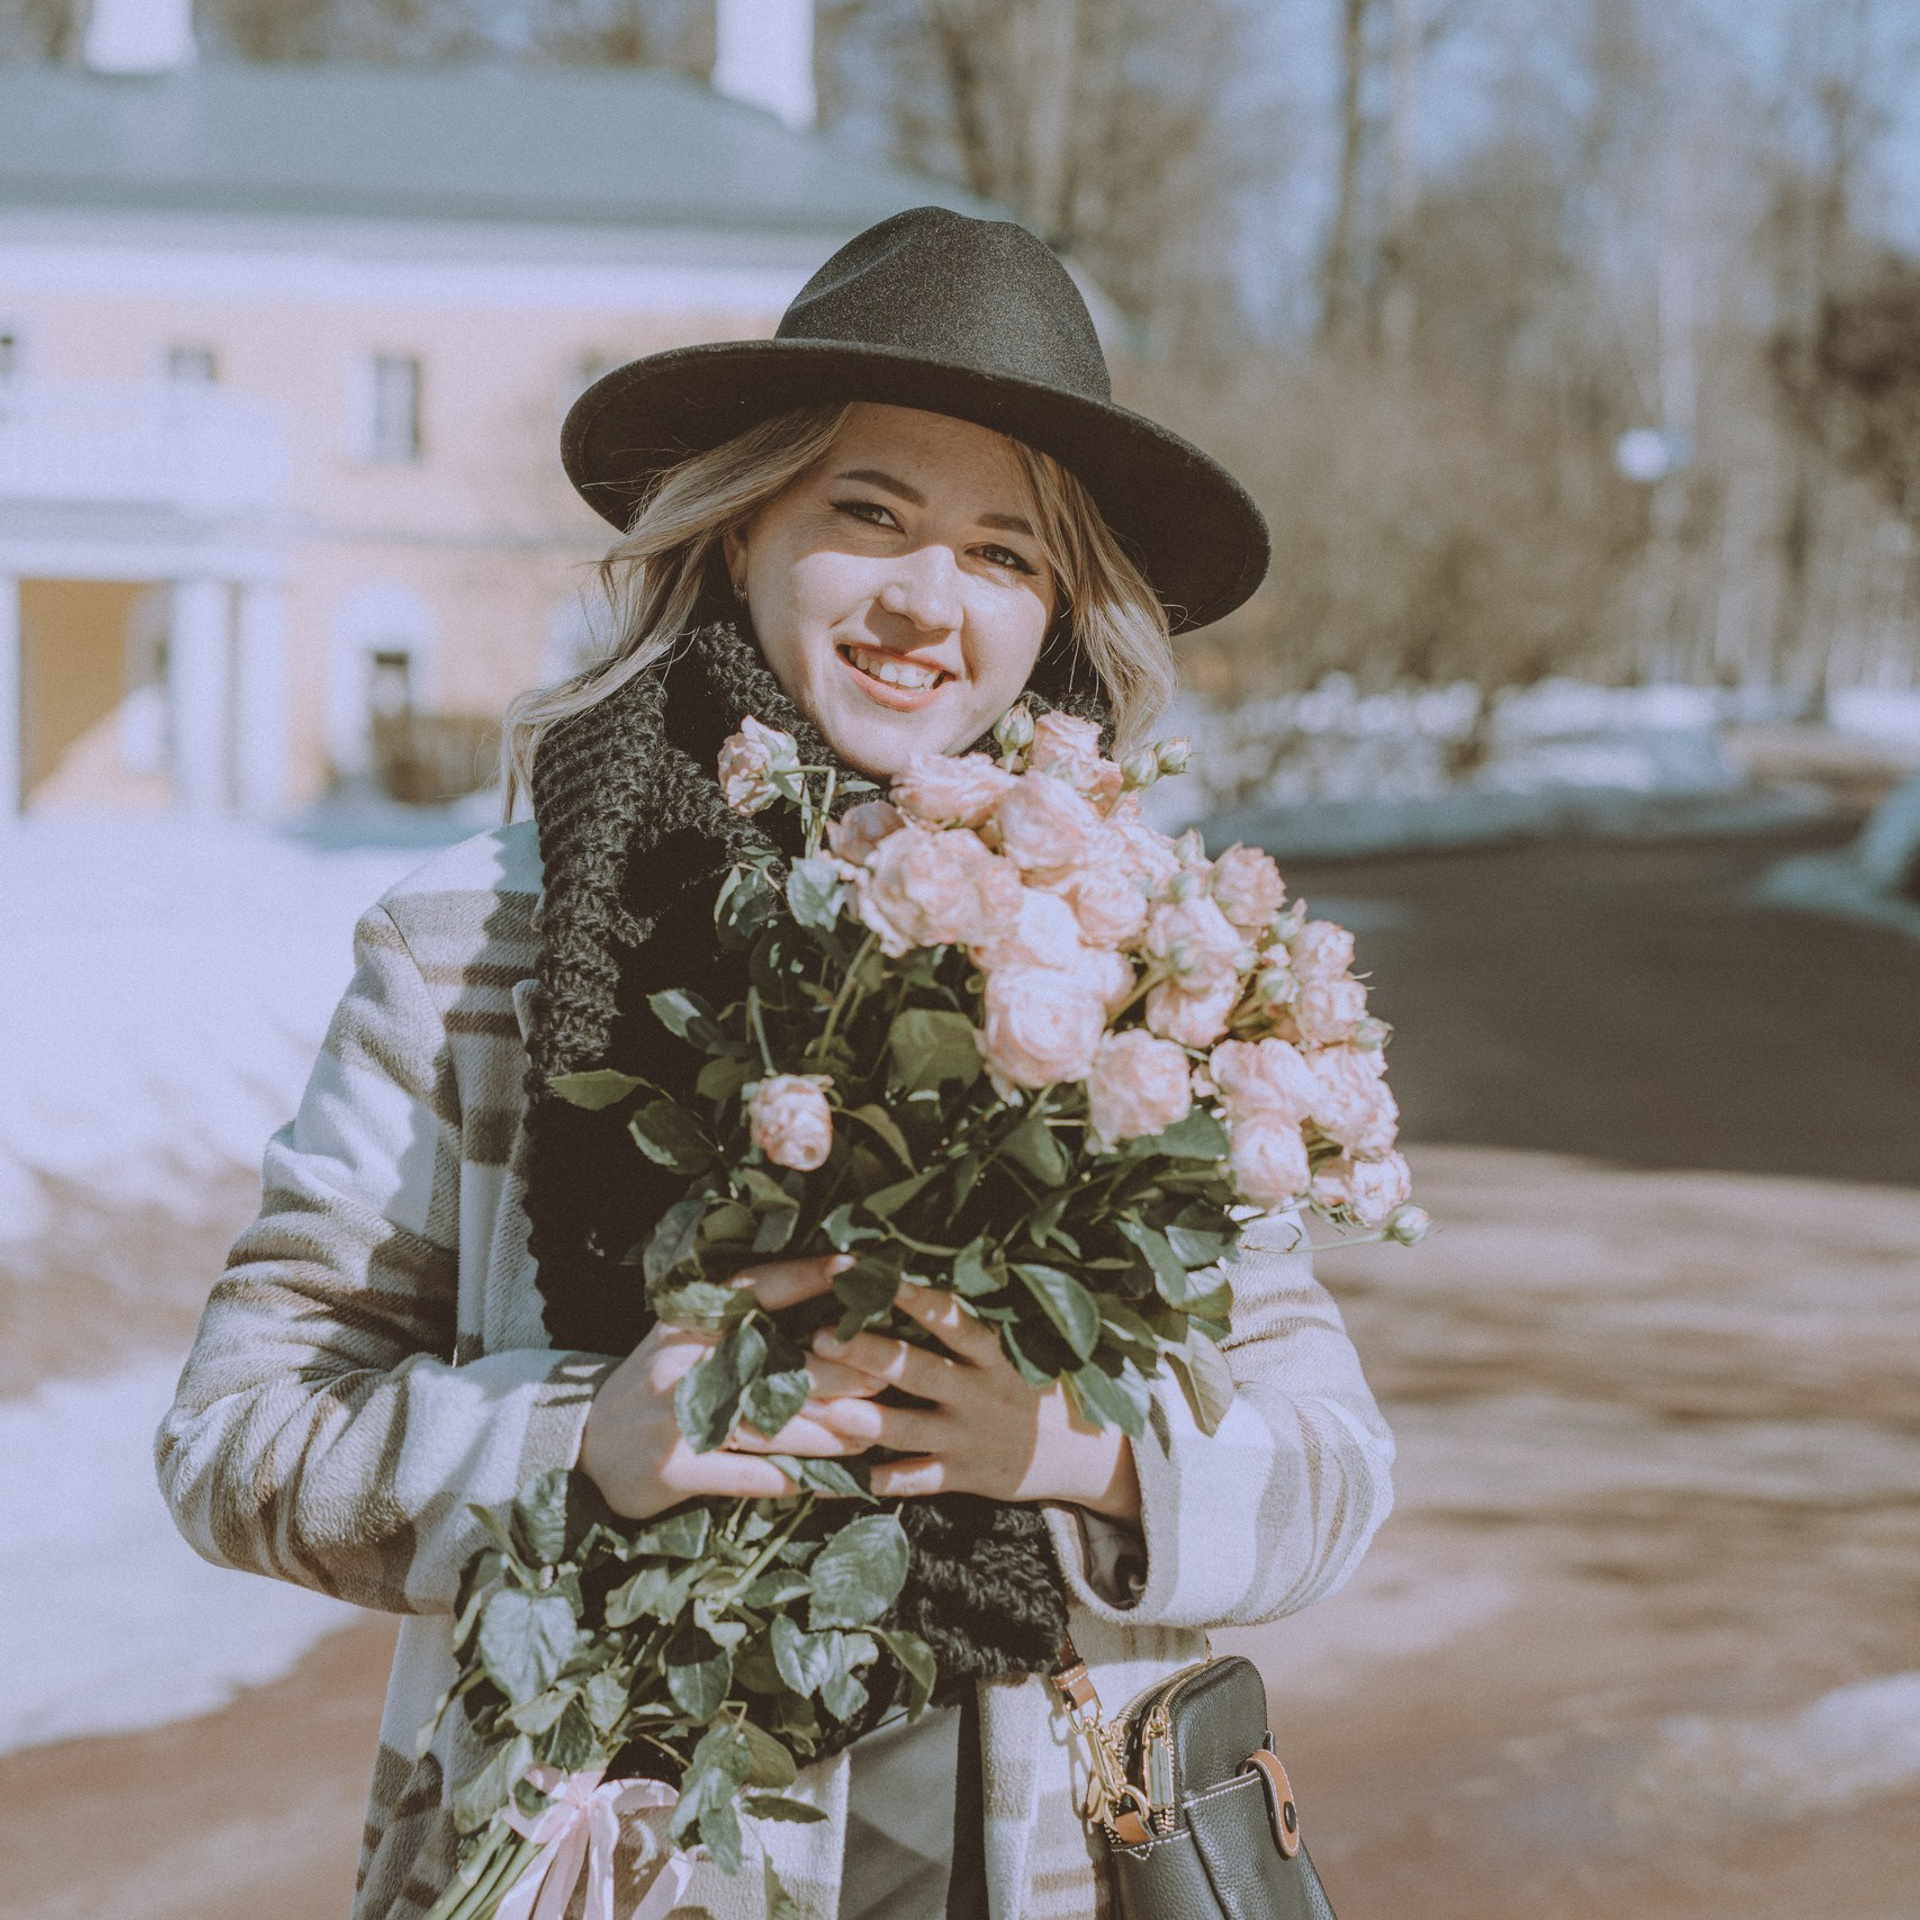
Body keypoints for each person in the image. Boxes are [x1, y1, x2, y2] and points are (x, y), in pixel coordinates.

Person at [157, 206, 1394, 1920]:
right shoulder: (471, 948)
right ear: (742, 529)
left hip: (1039, 1859)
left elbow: (1337, 1467)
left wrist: (1081, 1451)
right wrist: (577, 1442)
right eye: (867, 516)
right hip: (619, 1869)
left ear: (1060, 612)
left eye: (1004, 554)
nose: (924, 601)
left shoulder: (1141, 985)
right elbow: (237, 1439)